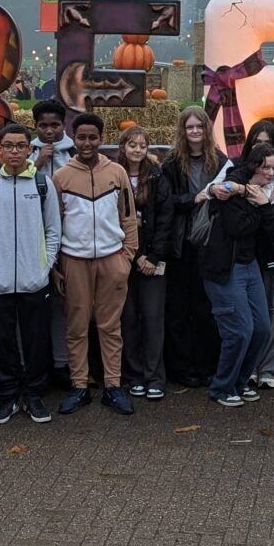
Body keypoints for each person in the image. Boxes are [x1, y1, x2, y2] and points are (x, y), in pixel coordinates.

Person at [51, 113, 138, 415]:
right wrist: (55, 265)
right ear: (73, 139)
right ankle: (79, 386)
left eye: (93, 137)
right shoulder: (61, 177)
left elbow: (128, 217)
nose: (87, 143)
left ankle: (112, 386)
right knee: (76, 327)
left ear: (102, 139)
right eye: (81, 137)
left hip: (111, 259)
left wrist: (127, 256)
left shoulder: (116, 173)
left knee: (110, 326)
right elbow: (54, 224)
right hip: (74, 260)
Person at [0, 122, 61, 425]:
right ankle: (7, 396)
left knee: (36, 340)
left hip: (33, 280)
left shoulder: (41, 184)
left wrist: (44, 267)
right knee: (1, 341)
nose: (14, 151)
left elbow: (53, 230)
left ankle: (34, 395)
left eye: (20, 146)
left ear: (29, 149)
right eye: (8, 146)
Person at [200, 141, 274, 406]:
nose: (270, 173)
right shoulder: (232, 186)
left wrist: (264, 206)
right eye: (266, 167)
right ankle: (221, 387)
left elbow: (271, 233)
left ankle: (240, 380)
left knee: (261, 328)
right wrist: (257, 203)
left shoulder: (266, 193)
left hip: (250, 266)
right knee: (240, 330)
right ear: (254, 166)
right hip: (225, 266)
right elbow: (238, 227)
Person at [158, 108, 225, 388]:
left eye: (199, 126)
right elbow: (168, 201)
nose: (195, 132)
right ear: (182, 131)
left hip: (208, 241)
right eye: (190, 127)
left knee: (205, 306)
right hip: (182, 241)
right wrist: (194, 198)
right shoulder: (172, 163)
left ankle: (207, 364)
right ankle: (182, 366)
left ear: (207, 129)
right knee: (178, 307)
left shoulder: (219, 161)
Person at [119, 126, 170, 400]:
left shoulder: (158, 177)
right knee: (128, 318)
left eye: (142, 145)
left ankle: (155, 376)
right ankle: (134, 374)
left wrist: (153, 256)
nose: (137, 150)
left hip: (152, 259)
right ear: (123, 147)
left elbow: (165, 219)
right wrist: (132, 255)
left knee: (152, 318)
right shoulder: (115, 175)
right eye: (132, 144)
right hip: (124, 258)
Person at [31, 100, 73, 171]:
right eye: (43, 126)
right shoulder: (28, 151)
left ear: (64, 125)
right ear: (35, 126)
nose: (49, 131)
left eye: (55, 125)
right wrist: (38, 162)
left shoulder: (74, 153)